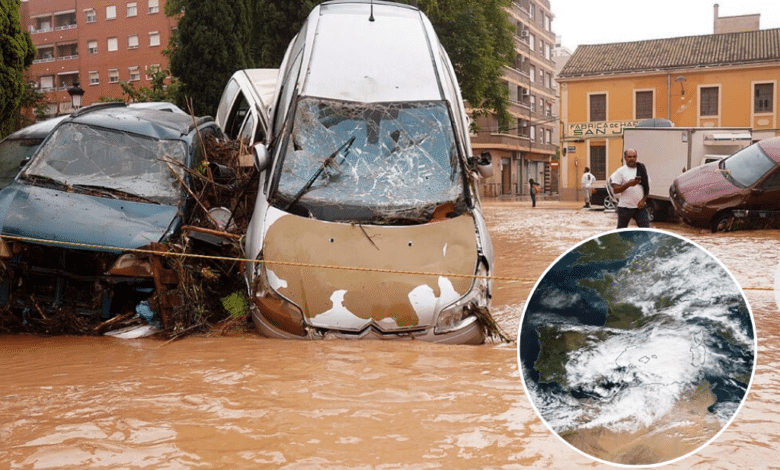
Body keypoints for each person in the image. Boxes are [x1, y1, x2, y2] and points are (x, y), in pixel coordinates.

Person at [610, 148, 650, 228]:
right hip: (625, 207)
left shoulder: (641, 169)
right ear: (625, 158)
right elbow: (615, 190)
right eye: (629, 157)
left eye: (634, 157)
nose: (632, 159)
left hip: (640, 207)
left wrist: (643, 200)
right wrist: (628, 184)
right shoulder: (621, 171)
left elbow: (646, 187)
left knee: (646, 231)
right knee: (622, 232)